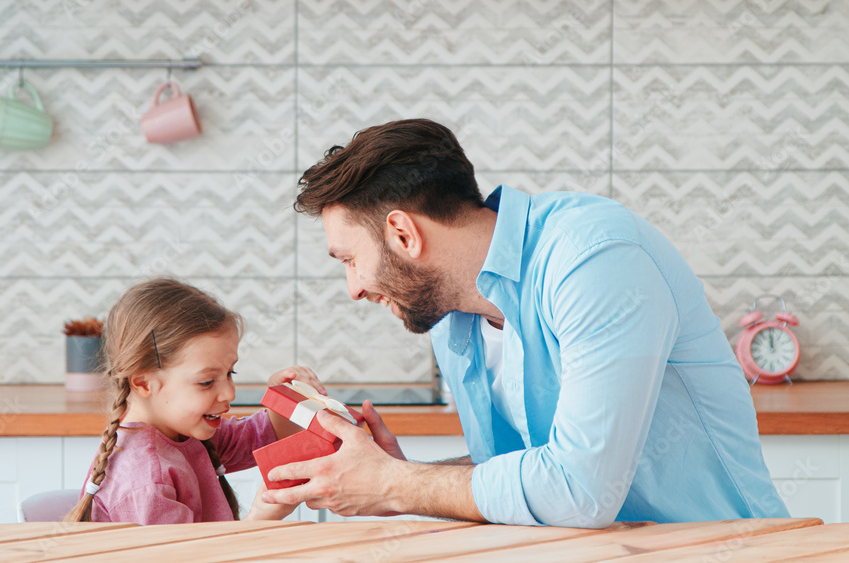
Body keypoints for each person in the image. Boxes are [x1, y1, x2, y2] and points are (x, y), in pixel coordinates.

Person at [261, 118, 788, 527]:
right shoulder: (453, 314)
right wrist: (398, 475)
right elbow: (528, 472)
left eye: (350, 259)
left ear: (403, 235)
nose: (354, 288)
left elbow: (580, 491)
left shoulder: (594, 259)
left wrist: (398, 483)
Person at [65, 277, 316, 524]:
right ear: (143, 383)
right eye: (206, 382)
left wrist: (285, 400)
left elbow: (257, 438)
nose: (229, 393)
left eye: (230, 373)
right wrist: (259, 520)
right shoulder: (149, 480)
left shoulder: (185, 433)